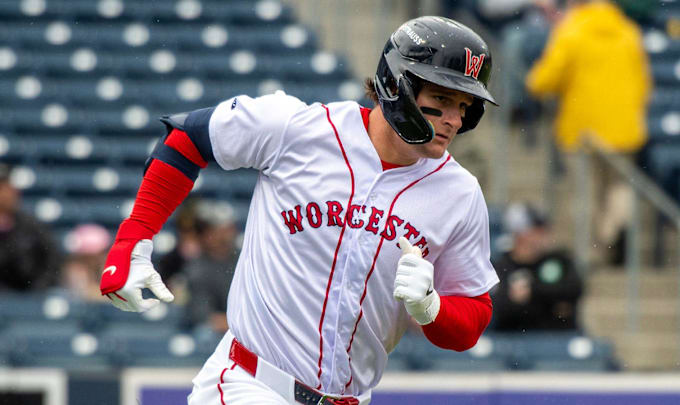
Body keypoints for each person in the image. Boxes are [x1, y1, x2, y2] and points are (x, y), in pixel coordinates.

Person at [100, 16, 499, 404]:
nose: (453, 118)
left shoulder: (460, 194)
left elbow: (471, 320)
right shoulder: (299, 129)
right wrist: (133, 239)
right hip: (251, 384)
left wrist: (432, 307)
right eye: (442, 99)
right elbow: (189, 137)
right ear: (398, 85)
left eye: (464, 105)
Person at [525, 0, 652, 263]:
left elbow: (545, 79)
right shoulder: (628, 31)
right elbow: (644, 83)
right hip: (624, 127)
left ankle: (588, 253)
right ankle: (615, 230)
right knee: (619, 187)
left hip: (583, 129)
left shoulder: (571, 30)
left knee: (586, 192)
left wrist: (534, 81)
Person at [490, 202, 583, 331]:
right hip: (514, 341)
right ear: (520, 234)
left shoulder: (558, 260)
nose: (544, 235)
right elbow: (498, 306)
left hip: (558, 337)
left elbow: (573, 290)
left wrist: (532, 290)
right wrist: (551, 302)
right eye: (537, 230)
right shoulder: (501, 266)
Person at [182, 200, 239, 334]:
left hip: (243, 329)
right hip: (216, 337)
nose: (225, 234)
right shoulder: (197, 269)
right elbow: (205, 318)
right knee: (204, 333)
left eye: (227, 228)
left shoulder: (244, 259)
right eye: (218, 229)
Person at [0, 164, 59, 292]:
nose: (5, 194)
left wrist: (36, 293)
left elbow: (51, 262)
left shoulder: (32, 226)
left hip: (31, 295)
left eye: (6, 188)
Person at [60, 223, 111, 301]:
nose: (87, 260)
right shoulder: (75, 268)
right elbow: (83, 294)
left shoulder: (108, 266)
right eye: (83, 256)